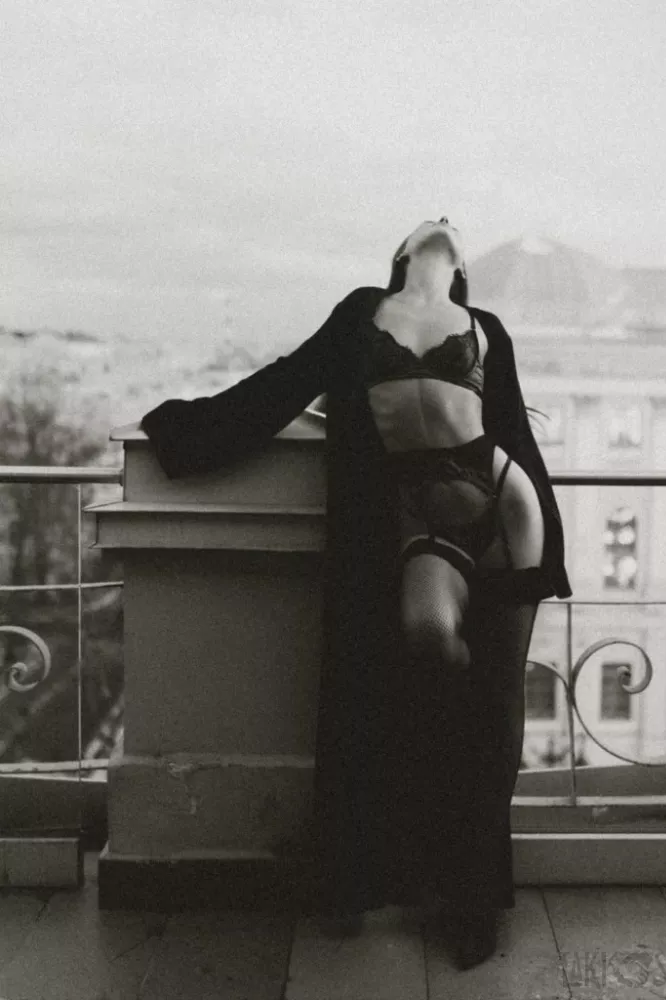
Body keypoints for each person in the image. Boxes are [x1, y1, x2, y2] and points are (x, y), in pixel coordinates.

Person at [139, 218, 572, 971]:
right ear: (401, 252)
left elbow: (508, 426)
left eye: (453, 226)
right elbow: (286, 381)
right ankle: (418, 838)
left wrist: (544, 549)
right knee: (430, 643)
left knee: (496, 711)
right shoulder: (360, 311)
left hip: (508, 508)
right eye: (431, 221)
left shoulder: (485, 326)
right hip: (420, 522)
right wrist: (189, 432)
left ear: (460, 263)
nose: (442, 219)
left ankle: (473, 903)